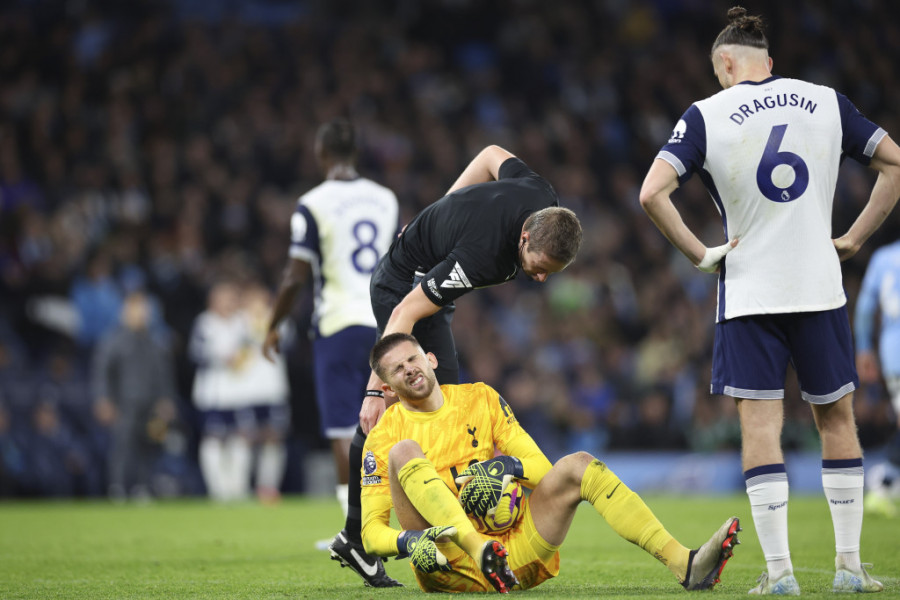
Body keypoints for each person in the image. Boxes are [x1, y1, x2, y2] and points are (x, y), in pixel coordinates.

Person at [638, 6, 900, 595]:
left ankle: (780, 575)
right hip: (819, 285)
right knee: (836, 419)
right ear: (771, 63)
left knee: (760, 426)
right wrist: (854, 237)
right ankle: (851, 569)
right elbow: (895, 163)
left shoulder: (705, 114)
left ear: (725, 64)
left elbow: (652, 192)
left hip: (750, 291)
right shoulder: (826, 100)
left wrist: (698, 254)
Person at [327, 143, 583, 587]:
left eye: (550, 274)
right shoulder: (482, 257)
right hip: (400, 290)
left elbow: (489, 154)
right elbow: (405, 312)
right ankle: (361, 534)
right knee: (408, 411)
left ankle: (436, 534)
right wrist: (373, 390)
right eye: (537, 267)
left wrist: (439, 217)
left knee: (447, 411)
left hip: (429, 291)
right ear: (524, 238)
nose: (539, 279)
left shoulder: (541, 198)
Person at [359, 333, 740, 593]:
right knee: (403, 451)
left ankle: (685, 565)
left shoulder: (480, 398)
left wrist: (508, 468)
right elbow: (370, 534)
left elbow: (539, 468)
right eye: (397, 369)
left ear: (431, 358)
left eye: (412, 358)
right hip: (449, 564)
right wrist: (409, 542)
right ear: (388, 388)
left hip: (515, 555)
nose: (409, 368)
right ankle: (479, 549)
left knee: (577, 464)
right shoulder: (384, 434)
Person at [261, 118, 400, 581]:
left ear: (321, 153)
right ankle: (388, 519)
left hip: (339, 322)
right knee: (391, 420)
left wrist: (273, 323)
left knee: (345, 426)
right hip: (384, 319)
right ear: (355, 152)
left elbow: (296, 275)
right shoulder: (385, 198)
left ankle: (354, 529)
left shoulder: (312, 203)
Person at [92, 291, 177, 500]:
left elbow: (163, 374)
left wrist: (167, 399)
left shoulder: (154, 341)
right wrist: (103, 399)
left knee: (149, 446)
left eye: (144, 310)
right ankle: (117, 487)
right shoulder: (113, 341)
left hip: (151, 406)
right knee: (122, 447)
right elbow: (102, 373)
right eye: (136, 309)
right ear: (125, 312)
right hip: (124, 404)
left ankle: (143, 487)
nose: (141, 314)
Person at [189, 280, 255, 502]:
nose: (228, 302)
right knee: (213, 439)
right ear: (213, 301)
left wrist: (242, 355)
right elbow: (196, 353)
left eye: (231, 298)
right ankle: (218, 490)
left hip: (238, 391)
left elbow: (251, 345)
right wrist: (222, 357)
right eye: (223, 298)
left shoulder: (242, 322)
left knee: (240, 438)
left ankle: (238, 488)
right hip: (213, 393)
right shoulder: (204, 323)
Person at [855, 239, 900, 518]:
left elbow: (864, 309)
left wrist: (863, 349)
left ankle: (885, 482)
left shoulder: (884, 256)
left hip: (892, 354)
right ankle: (883, 483)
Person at [239, 283, 291, 504]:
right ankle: (241, 488)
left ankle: (268, 487)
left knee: (273, 438)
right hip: (245, 391)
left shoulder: (279, 319)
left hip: (273, 389)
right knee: (246, 439)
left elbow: (287, 341)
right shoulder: (237, 322)